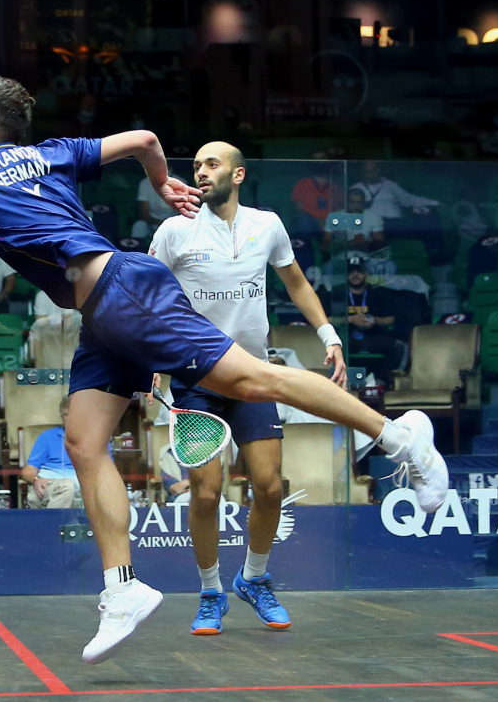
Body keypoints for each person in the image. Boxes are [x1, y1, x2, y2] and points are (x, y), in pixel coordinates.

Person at [0, 73, 447, 664]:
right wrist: (163, 180)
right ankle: (122, 587)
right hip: (107, 311)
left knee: (254, 379)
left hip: (125, 295)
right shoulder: (52, 150)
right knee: (85, 440)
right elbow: (148, 138)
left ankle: (398, 434)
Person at [148, 141, 348, 636]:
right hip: (195, 376)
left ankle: (254, 579)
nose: (200, 172)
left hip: (255, 376)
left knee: (270, 486)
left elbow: (297, 282)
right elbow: (147, 295)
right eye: (195, 166)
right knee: (206, 491)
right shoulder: (174, 230)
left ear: (238, 175)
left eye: (211, 165)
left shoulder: (268, 225)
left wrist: (329, 335)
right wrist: (150, 358)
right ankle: (211, 592)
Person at [20, 395, 111, 509]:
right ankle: (55, 525)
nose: (69, 419)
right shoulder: (47, 437)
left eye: (74, 415)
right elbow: (27, 471)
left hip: (84, 484)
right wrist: (35, 480)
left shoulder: (98, 439)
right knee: (67, 486)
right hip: (51, 485)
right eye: (66, 415)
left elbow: (107, 472)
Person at [330, 255, 405, 385]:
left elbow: (391, 320)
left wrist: (375, 321)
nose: (355, 275)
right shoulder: (338, 292)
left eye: (359, 271)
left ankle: (383, 380)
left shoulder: (378, 292)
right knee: (332, 347)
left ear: (366, 274)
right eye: (351, 272)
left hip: (373, 336)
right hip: (347, 338)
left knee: (398, 346)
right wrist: (351, 319)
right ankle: (341, 380)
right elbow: (327, 319)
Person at [288, 153, 344, 246]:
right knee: (304, 221)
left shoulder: (335, 187)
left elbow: (340, 210)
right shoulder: (302, 184)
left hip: (330, 225)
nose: (320, 162)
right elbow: (298, 209)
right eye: (316, 159)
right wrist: (319, 221)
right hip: (311, 225)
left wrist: (327, 224)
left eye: (322, 159)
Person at [322, 187, 386, 254]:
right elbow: (324, 247)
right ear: (346, 202)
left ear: (364, 203)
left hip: (365, 256)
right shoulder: (335, 217)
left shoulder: (373, 217)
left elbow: (381, 245)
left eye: (360, 203)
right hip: (340, 257)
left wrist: (368, 243)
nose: (356, 206)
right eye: (352, 202)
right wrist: (352, 242)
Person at [130, 168, 186, 239]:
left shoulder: (181, 182)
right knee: (139, 225)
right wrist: (158, 222)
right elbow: (144, 214)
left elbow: (182, 212)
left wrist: (168, 224)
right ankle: (137, 248)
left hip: (174, 225)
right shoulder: (145, 183)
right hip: (153, 224)